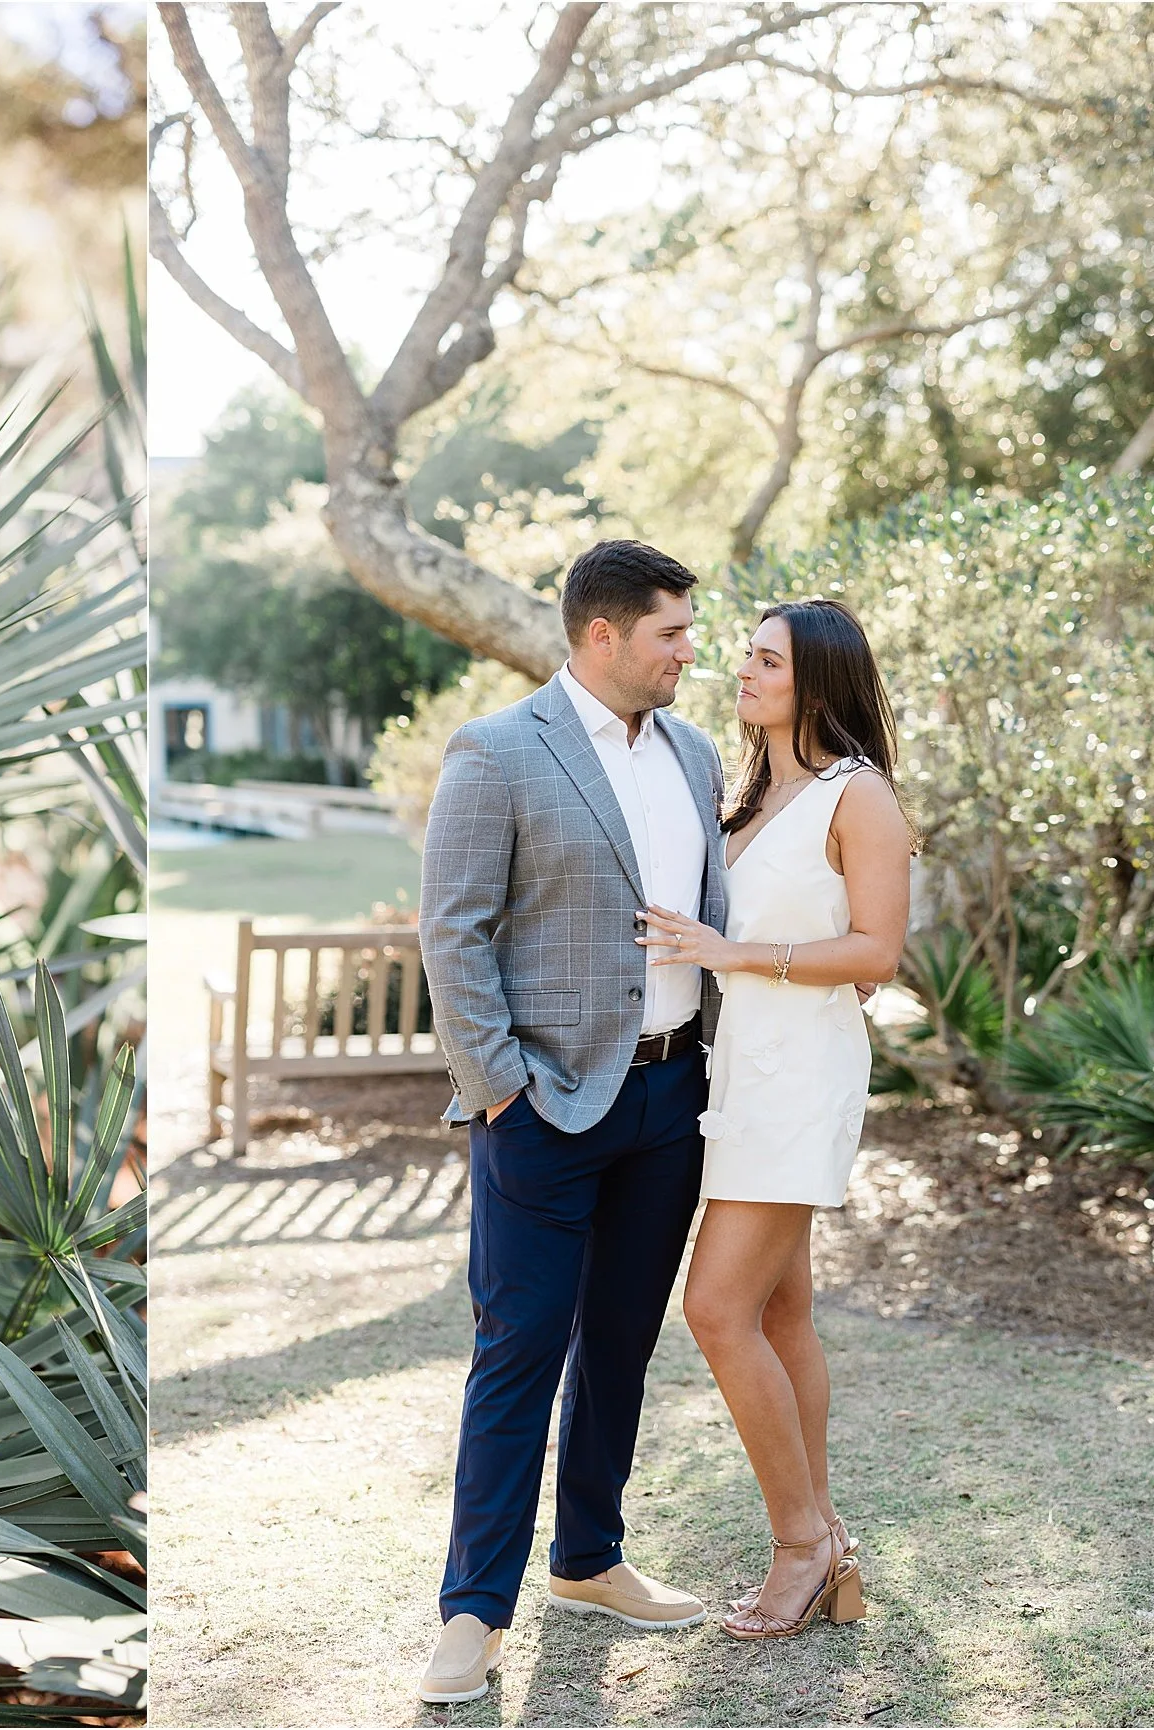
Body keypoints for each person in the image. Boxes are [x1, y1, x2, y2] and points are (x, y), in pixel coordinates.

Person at [414, 540, 724, 1705]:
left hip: (668, 1099)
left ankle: (589, 1558)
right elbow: (454, 932)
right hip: (542, 1106)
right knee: (516, 1354)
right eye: (671, 633)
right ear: (603, 634)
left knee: (620, 1346)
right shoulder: (498, 750)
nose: (690, 652)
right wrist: (500, 1084)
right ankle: (470, 1610)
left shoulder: (693, 753)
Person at [639, 597, 912, 1640]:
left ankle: (799, 1545)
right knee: (780, 1314)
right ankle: (826, 1535)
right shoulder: (750, 791)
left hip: (799, 1077)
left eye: (764, 660)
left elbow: (877, 952)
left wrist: (731, 952)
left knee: (714, 1309)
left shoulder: (857, 797)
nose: (738, 671)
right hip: (734, 1073)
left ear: (818, 682)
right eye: (745, 655)